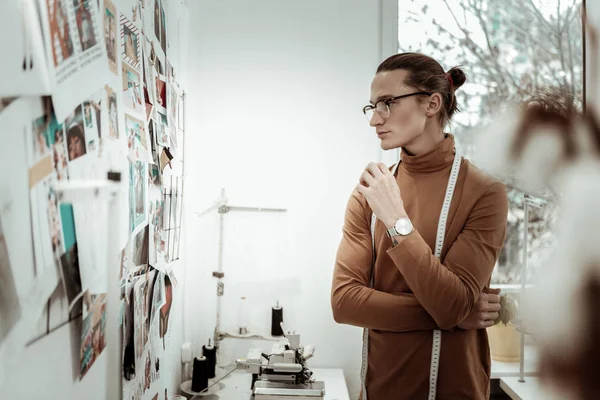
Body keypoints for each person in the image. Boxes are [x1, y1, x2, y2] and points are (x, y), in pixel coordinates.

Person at [331, 53, 508, 399]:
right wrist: (457, 314)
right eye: (372, 107)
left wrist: (397, 221)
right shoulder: (369, 192)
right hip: (380, 390)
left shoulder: (484, 194)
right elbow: (345, 302)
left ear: (431, 103)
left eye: (387, 103)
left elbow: (451, 305)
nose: (374, 120)